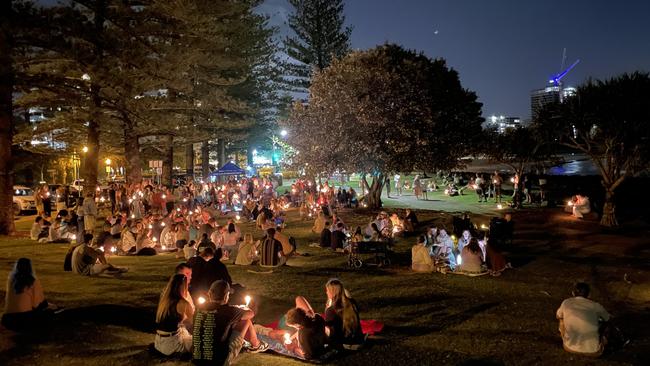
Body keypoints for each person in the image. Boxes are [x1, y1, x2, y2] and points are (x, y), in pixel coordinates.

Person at [192, 280, 269, 365]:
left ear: (209, 293)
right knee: (246, 321)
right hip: (219, 361)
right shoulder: (229, 311)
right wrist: (243, 308)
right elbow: (250, 314)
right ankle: (256, 344)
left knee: (228, 324)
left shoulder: (198, 308)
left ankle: (251, 343)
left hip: (197, 359)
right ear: (226, 297)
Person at [295, 279, 363, 348]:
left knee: (301, 302)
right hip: (358, 340)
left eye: (327, 290)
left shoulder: (331, 310)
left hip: (343, 343)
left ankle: (298, 329)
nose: (326, 292)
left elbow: (326, 329)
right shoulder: (352, 302)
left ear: (332, 292)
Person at [556, 283, 612, 356]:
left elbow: (558, 316)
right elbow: (608, 318)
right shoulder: (595, 306)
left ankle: (568, 338)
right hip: (594, 351)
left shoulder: (566, 302)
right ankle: (599, 342)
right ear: (589, 294)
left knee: (561, 319)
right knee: (605, 325)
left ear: (573, 293)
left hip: (569, 347)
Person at [2, 258, 56, 332]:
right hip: (24, 319)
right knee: (49, 313)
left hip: (7, 319)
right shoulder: (32, 281)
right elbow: (37, 304)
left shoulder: (11, 281)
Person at [154, 274, 194, 356]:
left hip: (158, 343)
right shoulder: (183, 303)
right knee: (203, 343)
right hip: (172, 345)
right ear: (183, 286)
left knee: (183, 329)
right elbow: (196, 324)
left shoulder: (164, 300)